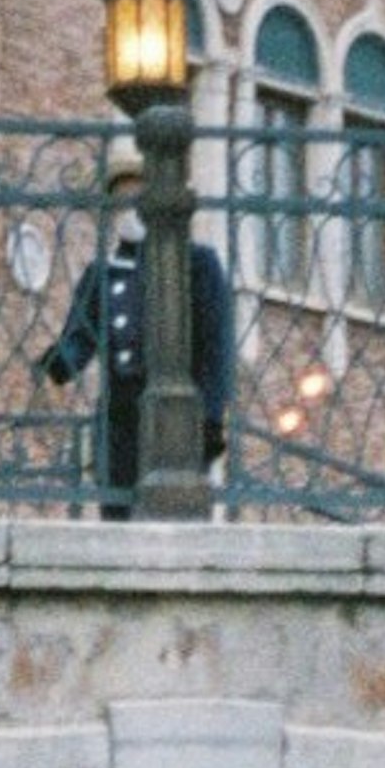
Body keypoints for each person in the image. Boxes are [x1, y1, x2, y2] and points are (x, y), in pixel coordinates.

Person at [40, 139, 233, 519]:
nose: (129, 209)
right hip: (120, 417)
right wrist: (60, 361)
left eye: (137, 197)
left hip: (176, 415)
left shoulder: (197, 263)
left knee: (176, 522)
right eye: (121, 200)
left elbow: (216, 348)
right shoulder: (102, 273)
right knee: (117, 514)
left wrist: (210, 417)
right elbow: (81, 337)